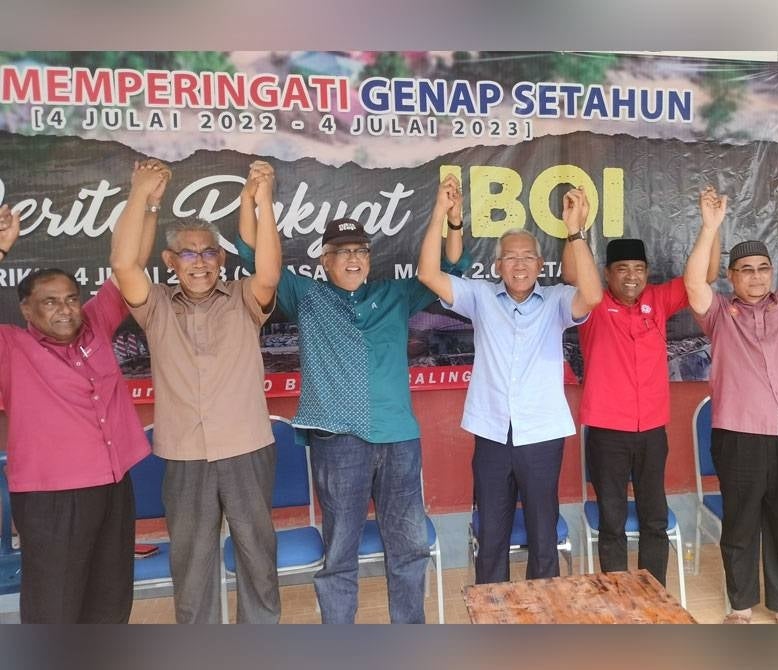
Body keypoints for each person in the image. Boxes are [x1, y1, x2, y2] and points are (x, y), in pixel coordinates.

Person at [235, 172, 468, 624]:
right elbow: (252, 256)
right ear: (325, 259)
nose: (354, 258)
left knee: (408, 548)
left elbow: (449, 270)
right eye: (343, 251)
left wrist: (451, 220)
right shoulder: (305, 294)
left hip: (398, 437)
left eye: (361, 250)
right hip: (338, 441)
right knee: (339, 550)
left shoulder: (395, 294)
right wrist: (253, 199)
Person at [110, 159, 282, 624]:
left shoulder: (245, 299)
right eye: (188, 254)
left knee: (257, 561)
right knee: (191, 567)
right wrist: (143, 196)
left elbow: (268, 274)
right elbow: (124, 263)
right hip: (185, 455)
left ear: (221, 259)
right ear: (171, 262)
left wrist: (263, 201)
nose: (201, 262)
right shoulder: (156, 307)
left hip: (247, 449)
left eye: (209, 253)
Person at [0, 162, 162, 622]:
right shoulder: (12, 348)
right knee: (56, 607)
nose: (65, 309)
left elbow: (127, 262)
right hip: (53, 499)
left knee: (110, 601)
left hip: (113, 487)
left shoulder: (95, 325)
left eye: (71, 298)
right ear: (26, 310)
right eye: (50, 302)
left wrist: (147, 202)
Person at [417, 183, 603, 584]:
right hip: (492, 434)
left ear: (541, 265)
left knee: (542, 536)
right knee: (492, 537)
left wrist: (576, 232)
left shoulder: (556, 301)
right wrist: (440, 213)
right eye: (510, 258)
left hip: (541, 435)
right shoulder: (480, 297)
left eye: (527, 258)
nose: (519, 265)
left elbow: (591, 294)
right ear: (497, 266)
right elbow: (428, 274)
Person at [683, 164, 778, 623]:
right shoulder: (719, 314)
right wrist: (710, 228)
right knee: (741, 524)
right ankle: (741, 607)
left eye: (764, 268)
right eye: (746, 270)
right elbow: (692, 283)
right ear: (732, 276)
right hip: (739, 436)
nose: (757, 276)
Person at [563, 231, 718, 587]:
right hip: (607, 432)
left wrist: (712, 226)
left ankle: (654, 594)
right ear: (606, 273)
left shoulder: (658, 299)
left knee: (654, 518)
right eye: (622, 269)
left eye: (638, 269)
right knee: (612, 520)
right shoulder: (595, 303)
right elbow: (573, 274)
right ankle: (619, 599)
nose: (631, 276)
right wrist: (575, 232)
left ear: (647, 272)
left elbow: (706, 276)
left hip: (651, 431)